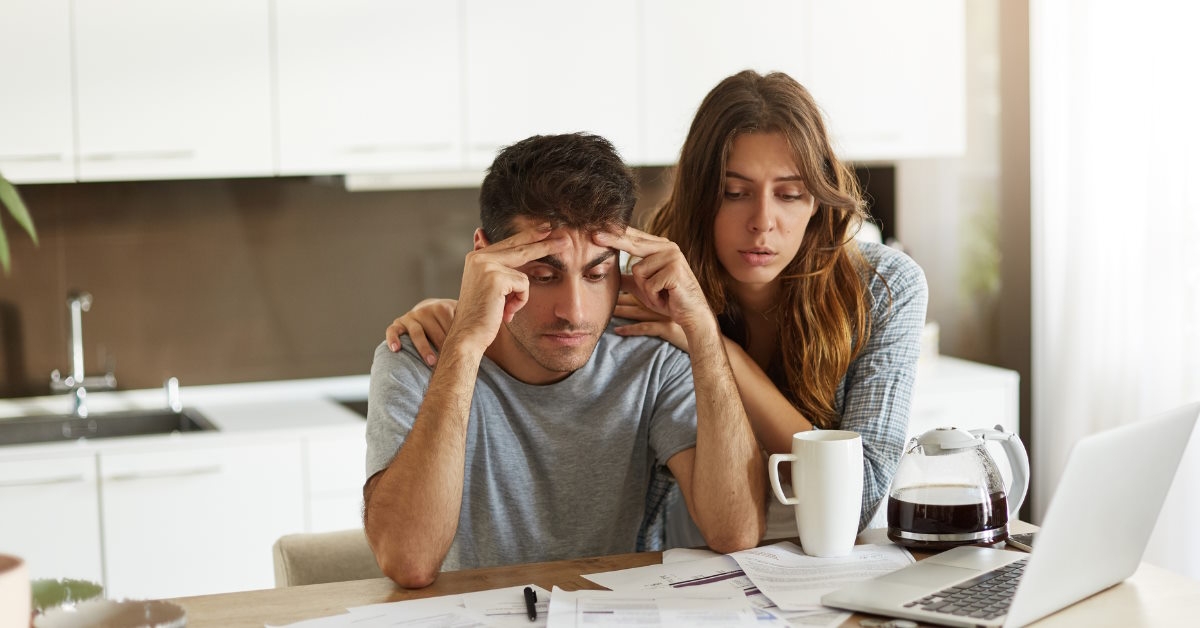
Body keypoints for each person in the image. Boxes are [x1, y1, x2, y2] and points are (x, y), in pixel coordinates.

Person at [384, 70, 929, 547]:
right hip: (696, 566)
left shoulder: (882, 288)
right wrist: (461, 317)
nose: (763, 222)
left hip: (830, 552)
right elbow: (560, 298)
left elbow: (858, 500)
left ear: (818, 197)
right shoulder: (648, 279)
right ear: (699, 193)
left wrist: (712, 345)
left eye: (789, 193)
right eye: (735, 192)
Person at [364, 132, 765, 588]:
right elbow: (408, 561)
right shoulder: (421, 357)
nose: (574, 311)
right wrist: (464, 348)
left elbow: (736, 533)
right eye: (543, 275)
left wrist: (702, 331)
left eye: (597, 273)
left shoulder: (651, 358)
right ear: (483, 256)